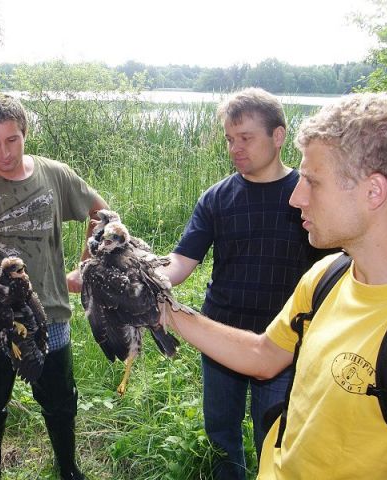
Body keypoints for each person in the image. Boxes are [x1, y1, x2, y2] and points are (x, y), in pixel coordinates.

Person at [167, 91, 387, 479]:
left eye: (313, 183)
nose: (297, 198)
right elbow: (262, 356)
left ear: (374, 191)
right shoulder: (326, 277)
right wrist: (157, 304)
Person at [159, 88, 321, 479]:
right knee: (220, 432)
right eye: (231, 139)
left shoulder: (306, 196)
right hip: (222, 337)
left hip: (285, 344)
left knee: (275, 435)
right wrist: (142, 277)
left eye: (245, 137)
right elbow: (182, 259)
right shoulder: (217, 197)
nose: (235, 148)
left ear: (278, 135)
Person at [0, 93, 107, 480]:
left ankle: (68, 470)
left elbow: (101, 213)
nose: (4, 152)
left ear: (25, 133)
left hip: (49, 313)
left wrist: (82, 268)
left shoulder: (56, 174)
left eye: (12, 140)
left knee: (60, 402)